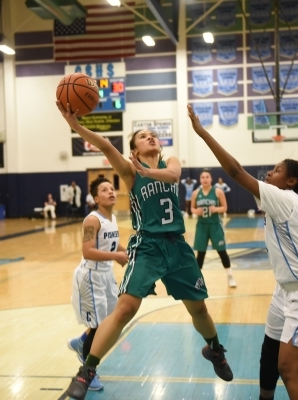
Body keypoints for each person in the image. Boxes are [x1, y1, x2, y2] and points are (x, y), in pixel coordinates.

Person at [57, 101, 233, 400]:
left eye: (153, 134)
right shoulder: (128, 171)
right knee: (126, 308)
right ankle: (87, 370)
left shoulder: (170, 162)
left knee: (198, 308)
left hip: (177, 246)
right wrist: (76, 126)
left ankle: (214, 349)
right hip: (147, 245)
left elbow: (175, 176)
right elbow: (105, 146)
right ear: (134, 151)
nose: (150, 136)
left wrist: (149, 173)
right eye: (143, 136)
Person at [188, 105, 298, 400]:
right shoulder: (292, 202)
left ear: (291, 181)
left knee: (289, 369)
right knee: (269, 353)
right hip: (285, 291)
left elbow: (235, 171)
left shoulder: (284, 199)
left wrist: (203, 133)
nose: (269, 172)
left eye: (277, 170)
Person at [67, 177, 129, 391]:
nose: (110, 192)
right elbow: (88, 251)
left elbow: (111, 242)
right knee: (99, 326)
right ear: (96, 198)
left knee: (111, 322)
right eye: (104, 190)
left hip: (106, 276)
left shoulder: (111, 218)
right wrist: (115, 256)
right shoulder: (91, 220)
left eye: (112, 188)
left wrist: (124, 250)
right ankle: (87, 372)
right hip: (90, 277)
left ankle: (80, 342)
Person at [191, 171, 236, 288]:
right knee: (200, 253)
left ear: (211, 179)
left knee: (222, 252)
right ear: (200, 180)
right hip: (201, 226)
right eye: (202, 177)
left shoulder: (218, 191)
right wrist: (196, 211)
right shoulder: (196, 193)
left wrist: (215, 209)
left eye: (207, 177)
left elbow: (225, 207)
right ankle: (197, 280)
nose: (205, 179)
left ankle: (230, 276)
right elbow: (192, 208)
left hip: (215, 225)